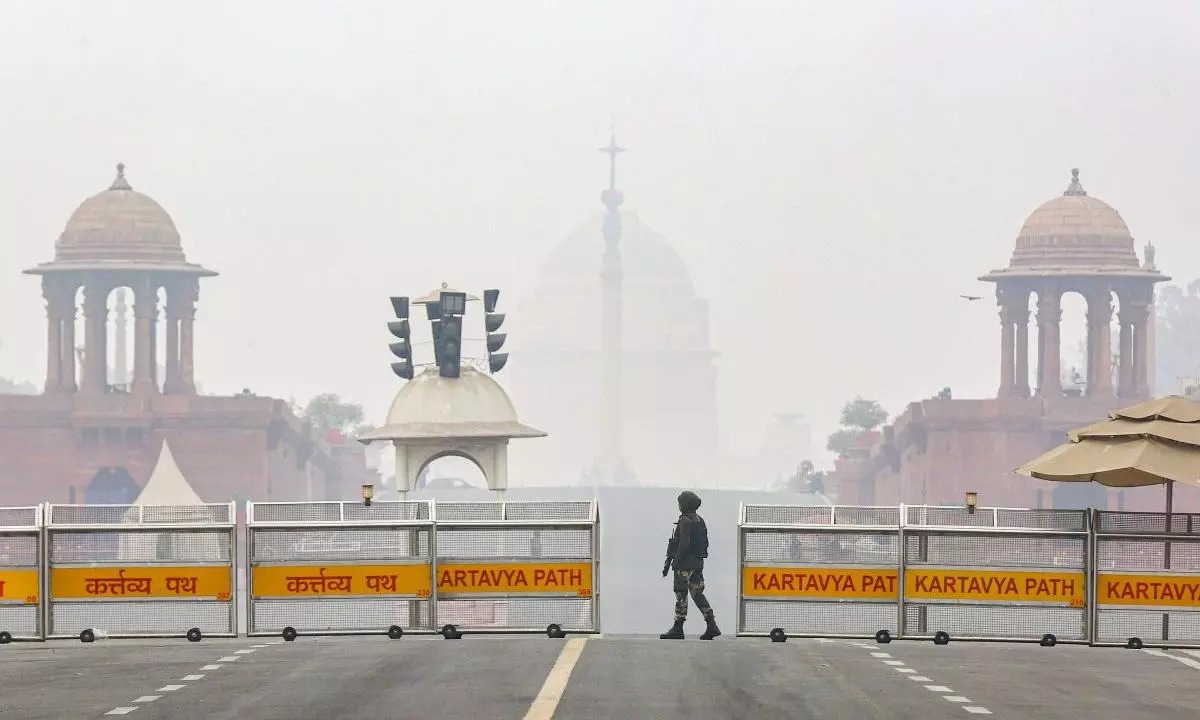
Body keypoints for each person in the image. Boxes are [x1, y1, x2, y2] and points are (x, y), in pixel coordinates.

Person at [660, 490, 720, 640]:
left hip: (685, 564)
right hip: (698, 563)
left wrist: (676, 562)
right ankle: (711, 624)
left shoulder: (685, 521)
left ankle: (678, 627)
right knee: (697, 593)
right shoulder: (700, 520)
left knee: (681, 594)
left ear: (684, 504)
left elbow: (684, 544)